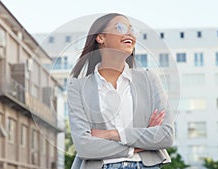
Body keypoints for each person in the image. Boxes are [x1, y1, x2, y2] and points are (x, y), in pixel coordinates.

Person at [67, 13, 174, 169]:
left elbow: (166, 136)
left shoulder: (149, 79)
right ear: (100, 38)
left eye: (132, 30)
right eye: (121, 27)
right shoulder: (77, 87)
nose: (130, 33)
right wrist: (139, 144)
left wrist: (112, 134)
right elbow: (85, 147)